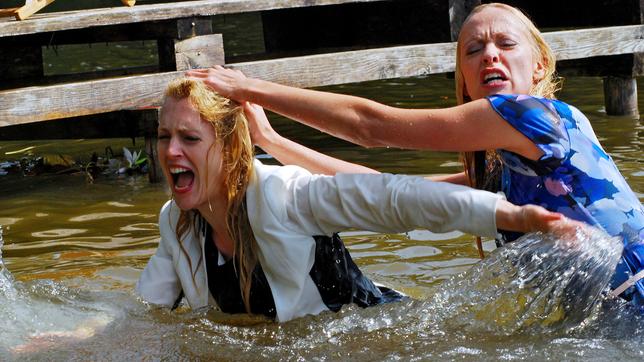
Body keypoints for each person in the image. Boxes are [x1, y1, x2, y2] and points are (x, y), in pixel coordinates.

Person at [186, 3, 644, 307]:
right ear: (463, 78)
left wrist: (248, 86)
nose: (491, 56)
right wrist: (273, 142)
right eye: (474, 49)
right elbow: (387, 188)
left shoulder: (537, 116)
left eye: (506, 44)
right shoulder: (509, 170)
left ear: (539, 65)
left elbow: (371, 127)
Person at [135, 78, 579, 322]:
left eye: (189, 137)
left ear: (232, 148)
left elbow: (396, 199)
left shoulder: (287, 196)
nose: (170, 151)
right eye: (163, 136)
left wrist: (509, 215)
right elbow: (141, 314)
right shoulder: (177, 223)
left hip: (382, 333)